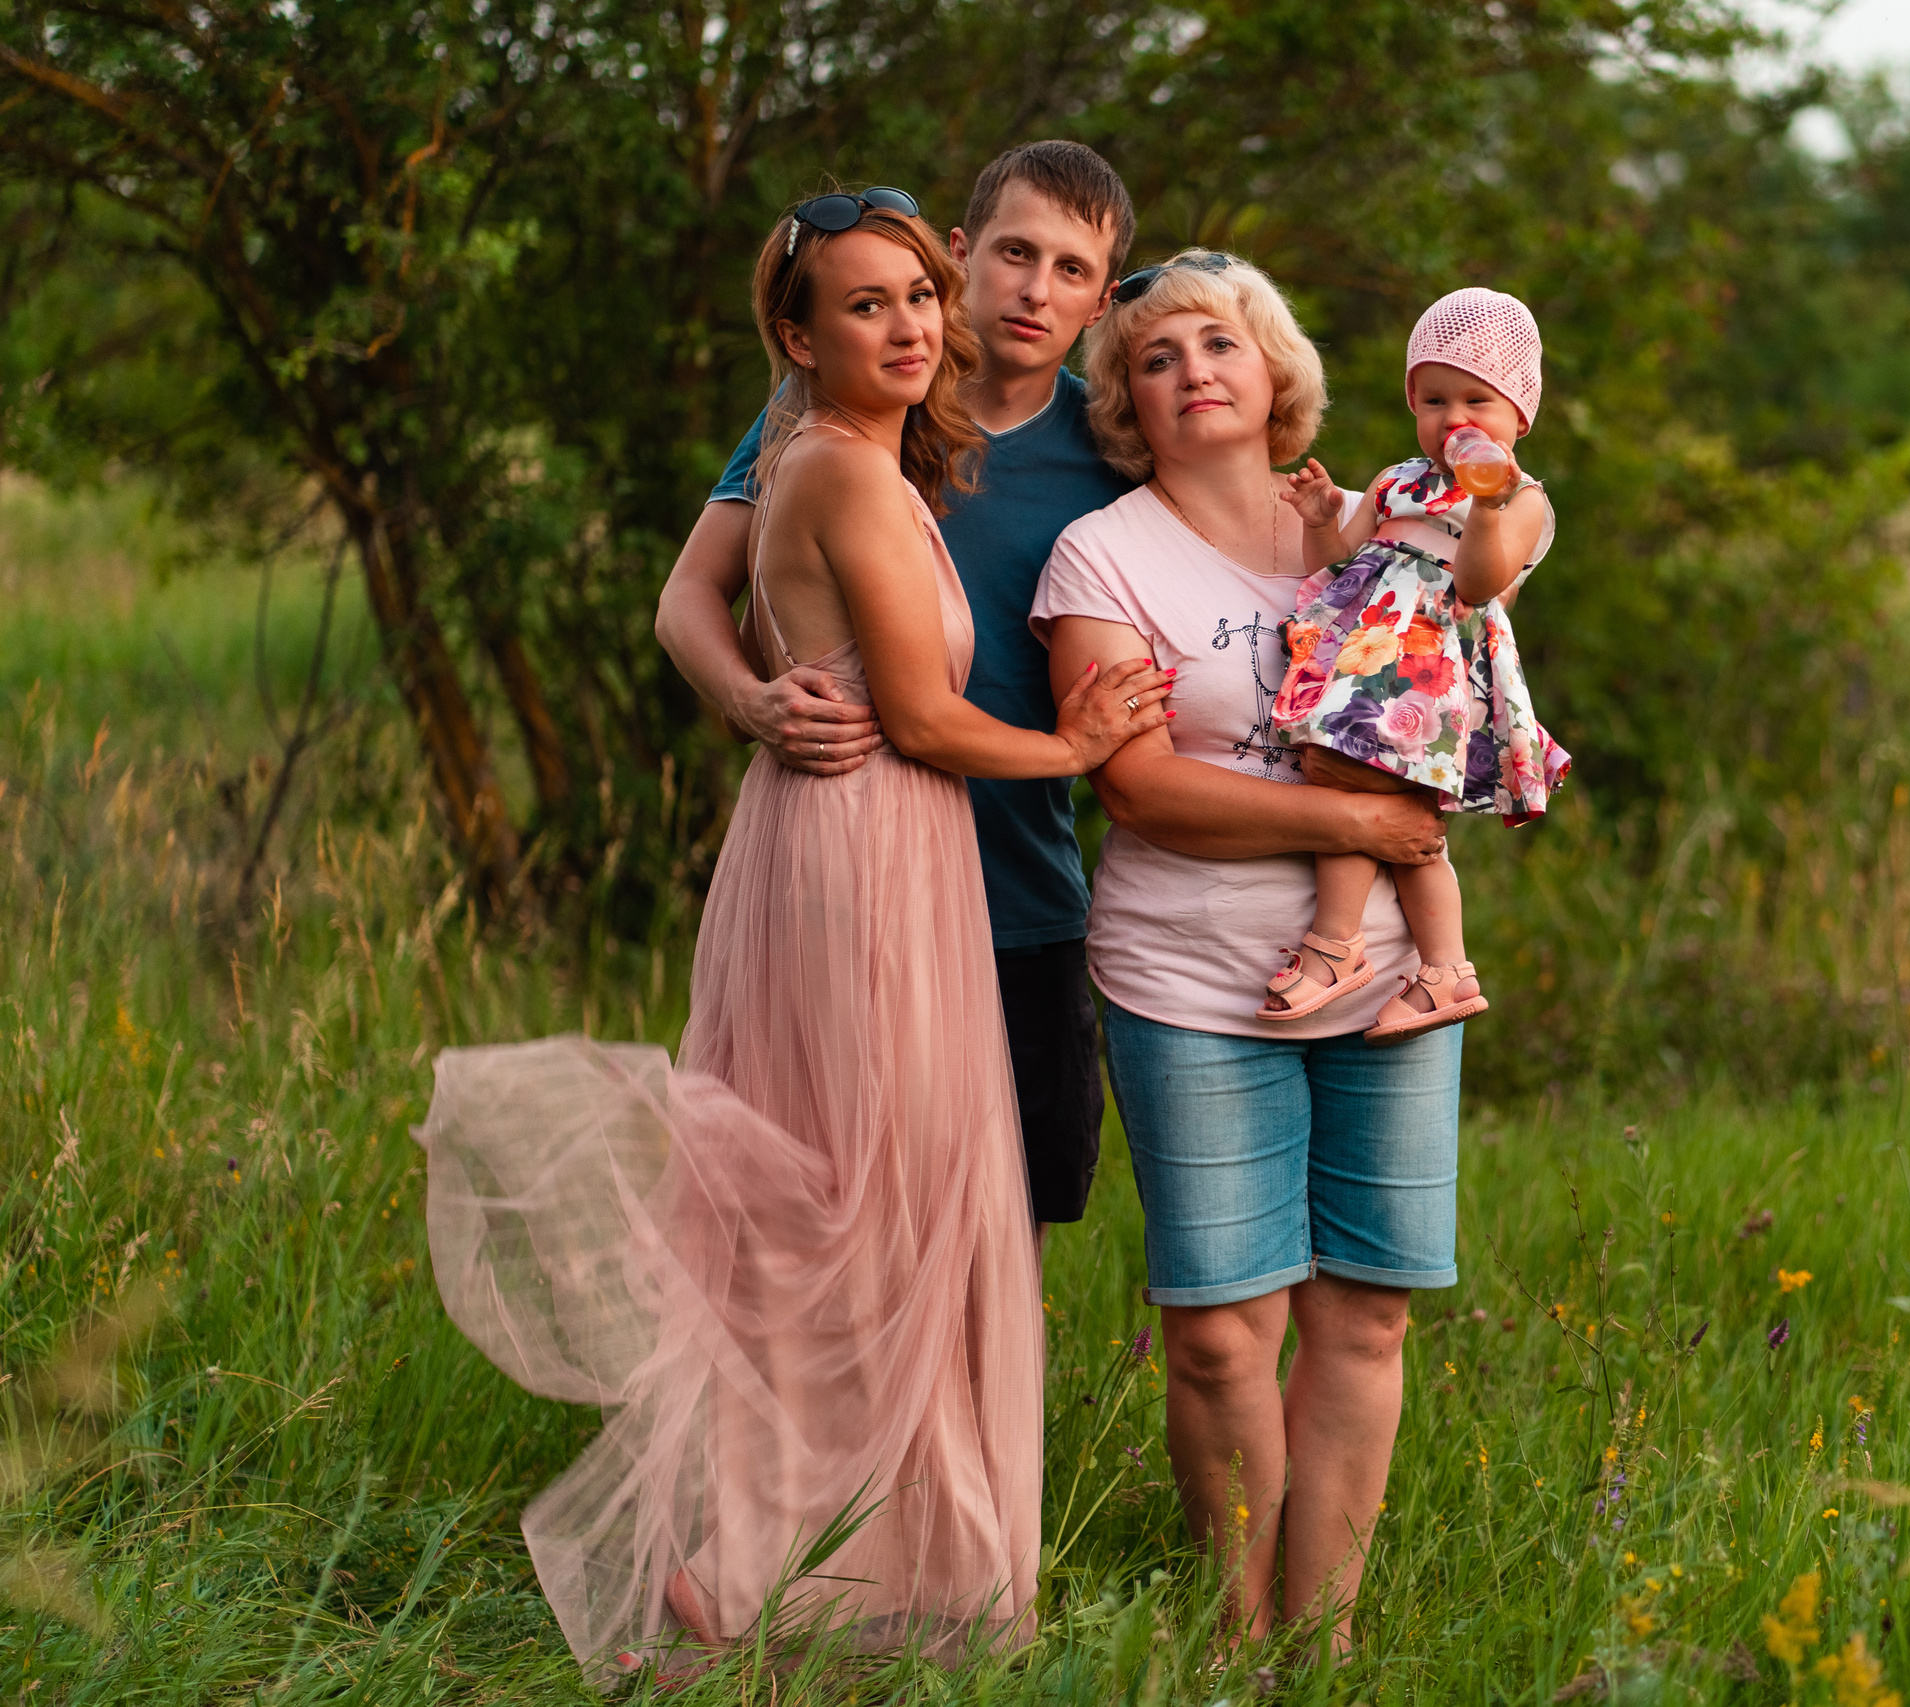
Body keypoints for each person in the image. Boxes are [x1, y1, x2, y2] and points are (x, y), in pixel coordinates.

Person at [417, 187, 1170, 1682]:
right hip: (867, 849)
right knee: (859, 1206)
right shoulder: (831, 466)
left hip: (877, 850)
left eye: (915, 297)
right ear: (795, 331)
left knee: (870, 1207)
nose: (909, 323)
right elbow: (920, 714)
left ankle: (842, 1556)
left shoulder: (889, 450)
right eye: (868, 302)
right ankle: (759, 1557)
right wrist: (1076, 745)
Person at [1028, 250, 1456, 1650]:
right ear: (1127, 403)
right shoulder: (1103, 556)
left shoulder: (1370, 529)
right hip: (1188, 980)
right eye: (1156, 358)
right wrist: (1355, 817)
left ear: (1276, 372)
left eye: (1219, 342)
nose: (1192, 371)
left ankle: (1315, 1642)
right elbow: (1140, 787)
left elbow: (1469, 648)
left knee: (1370, 1311)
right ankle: (1235, 1631)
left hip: (1390, 971)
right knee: (1219, 1326)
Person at [657, 140, 1137, 1232]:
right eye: (1014, 252)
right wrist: (751, 701)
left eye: (1070, 270)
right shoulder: (840, 401)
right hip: (856, 885)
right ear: (963, 252)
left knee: (1005, 1230)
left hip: (1020, 896)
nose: (1032, 289)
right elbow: (687, 597)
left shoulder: (1116, 448)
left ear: (1101, 302)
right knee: (835, 1223)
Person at [1264, 287, 1571, 1042]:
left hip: (1430, 669)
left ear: (1519, 418)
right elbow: (1340, 564)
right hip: (1367, 659)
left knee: (1349, 782)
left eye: (1478, 400)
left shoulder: (1521, 499)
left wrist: (1488, 504)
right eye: (1433, 399)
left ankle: (1338, 947)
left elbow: (1477, 585)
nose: (1453, 418)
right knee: (1394, 810)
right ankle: (1445, 970)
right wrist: (1317, 523)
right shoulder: (1396, 480)